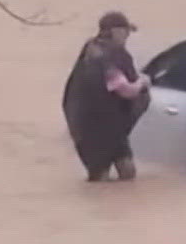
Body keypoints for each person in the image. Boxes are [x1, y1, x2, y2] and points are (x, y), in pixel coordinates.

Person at [61, 11, 151, 182]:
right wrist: (142, 83)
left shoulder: (93, 49)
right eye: (125, 31)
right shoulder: (104, 57)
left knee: (127, 170)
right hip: (94, 129)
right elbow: (124, 89)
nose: (127, 36)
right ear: (114, 31)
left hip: (109, 125)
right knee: (100, 176)